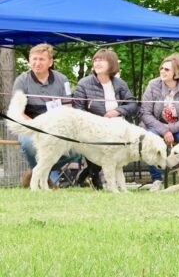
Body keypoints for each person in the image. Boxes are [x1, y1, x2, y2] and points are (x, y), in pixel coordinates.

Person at [72, 49, 139, 190]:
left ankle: (88, 175)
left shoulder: (120, 84)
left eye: (101, 60)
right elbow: (78, 110)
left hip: (117, 128)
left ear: (111, 64)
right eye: (95, 60)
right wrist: (96, 123)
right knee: (99, 147)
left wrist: (117, 111)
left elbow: (133, 105)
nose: (97, 63)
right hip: (93, 128)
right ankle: (93, 175)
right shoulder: (84, 83)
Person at [12, 43, 77, 187]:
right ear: (29, 61)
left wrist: (55, 128)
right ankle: (43, 177)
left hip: (57, 127)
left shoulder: (62, 79)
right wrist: (38, 127)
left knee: (76, 150)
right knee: (29, 145)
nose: (37, 63)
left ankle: (37, 172)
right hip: (30, 125)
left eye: (41, 59)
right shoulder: (21, 80)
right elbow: (19, 112)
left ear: (50, 62)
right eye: (34, 59)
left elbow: (68, 108)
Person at [140, 53, 179, 192]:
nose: (162, 71)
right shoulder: (153, 85)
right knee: (149, 139)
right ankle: (157, 180)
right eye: (161, 68)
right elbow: (145, 113)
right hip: (156, 125)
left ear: (176, 72)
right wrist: (164, 130)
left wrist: (171, 128)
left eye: (167, 69)